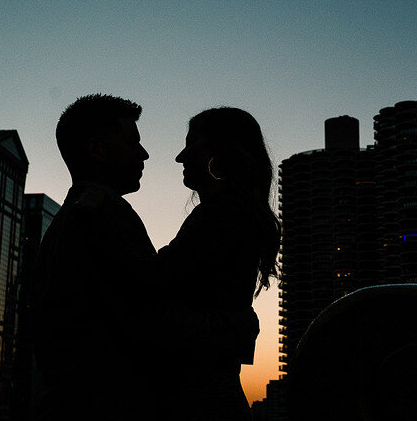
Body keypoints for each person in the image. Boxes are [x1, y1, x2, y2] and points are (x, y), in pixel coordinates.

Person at [30, 95, 255, 420]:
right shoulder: (105, 214)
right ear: (97, 150)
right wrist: (239, 328)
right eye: (132, 141)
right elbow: (151, 319)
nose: (145, 153)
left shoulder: (71, 217)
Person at [157, 107, 282, 421]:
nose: (180, 157)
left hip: (197, 398)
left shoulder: (221, 216)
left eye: (192, 144)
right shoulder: (233, 214)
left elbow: (157, 283)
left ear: (224, 152)